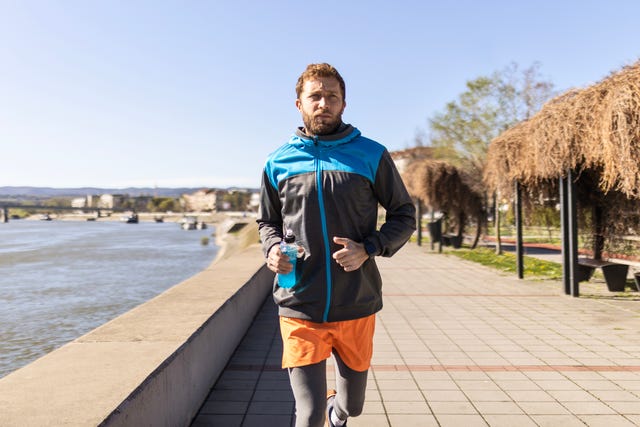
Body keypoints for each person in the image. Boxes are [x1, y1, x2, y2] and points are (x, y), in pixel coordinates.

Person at [257, 63, 416, 427]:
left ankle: (339, 411)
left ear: (343, 104)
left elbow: (404, 214)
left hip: (356, 302)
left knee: (352, 406)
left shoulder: (371, 155)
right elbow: (268, 222)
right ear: (299, 103)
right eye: (315, 96)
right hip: (299, 303)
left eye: (332, 97)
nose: (323, 103)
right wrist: (271, 250)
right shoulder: (277, 161)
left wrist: (369, 247)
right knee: (308, 415)